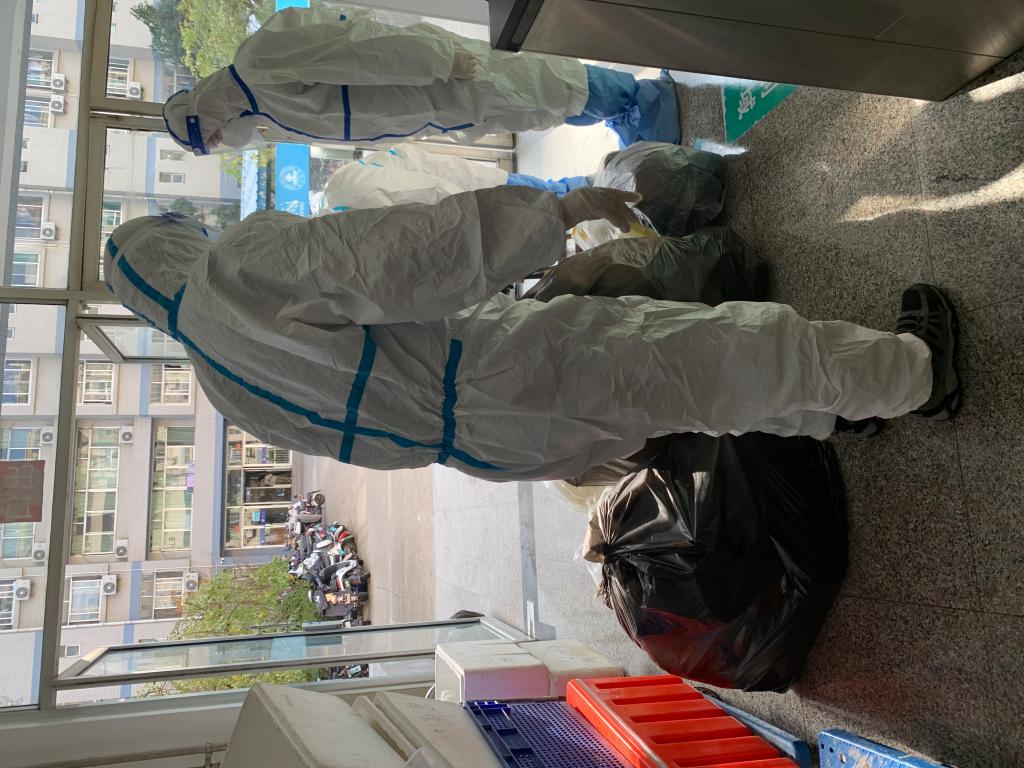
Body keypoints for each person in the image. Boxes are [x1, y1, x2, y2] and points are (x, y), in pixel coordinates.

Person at [103, 187, 960, 482]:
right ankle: (917, 375)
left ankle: (844, 407)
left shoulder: (219, 386)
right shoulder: (234, 270)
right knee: (721, 356)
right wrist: (550, 215)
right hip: (510, 367)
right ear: (175, 245)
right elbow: (399, 256)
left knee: (698, 398)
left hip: (487, 448)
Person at [161, 6, 679, 156]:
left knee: (537, 83)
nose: (221, 141)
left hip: (437, 78)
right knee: (531, 105)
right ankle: (622, 111)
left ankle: (641, 99)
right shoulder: (262, 108)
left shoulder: (258, 64)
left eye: (210, 136)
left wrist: (437, 60)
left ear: (203, 115)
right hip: (433, 103)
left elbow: (357, 51)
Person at [321, 142, 589, 213]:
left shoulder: (342, 191)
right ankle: (584, 193)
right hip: (461, 184)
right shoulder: (338, 197)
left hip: (467, 190)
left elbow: (425, 191)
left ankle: (590, 192)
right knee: (537, 196)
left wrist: (474, 215)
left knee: (538, 198)